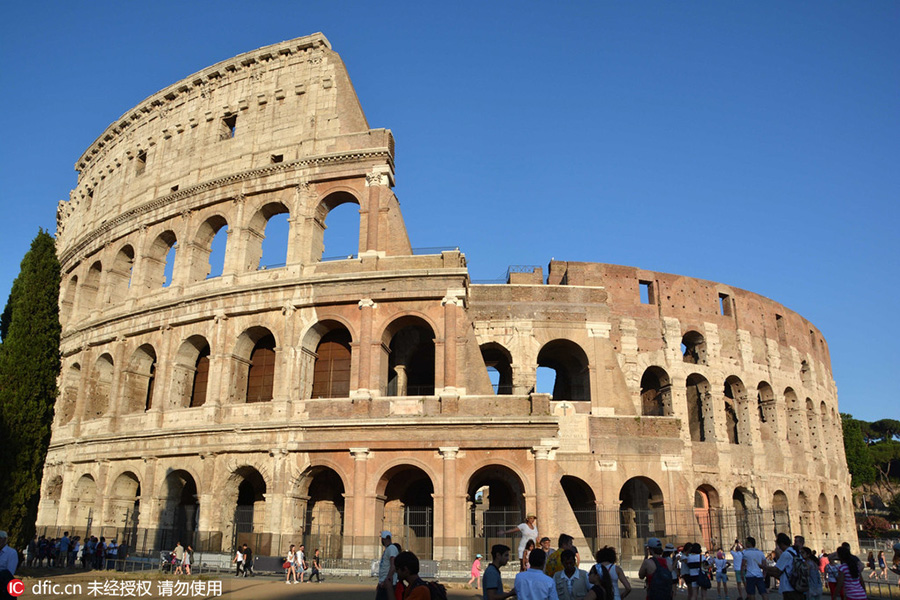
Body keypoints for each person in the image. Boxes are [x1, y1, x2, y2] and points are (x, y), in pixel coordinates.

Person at [768, 534, 804, 600]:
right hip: (798, 585)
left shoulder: (786, 554)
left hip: (789, 587)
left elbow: (777, 570)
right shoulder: (796, 552)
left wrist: (763, 567)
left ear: (780, 544)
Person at [377, 530, 401, 600]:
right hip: (384, 583)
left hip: (387, 584)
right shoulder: (388, 549)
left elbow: (393, 566)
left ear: (383, 539)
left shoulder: (391, 548)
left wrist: (387, 580)